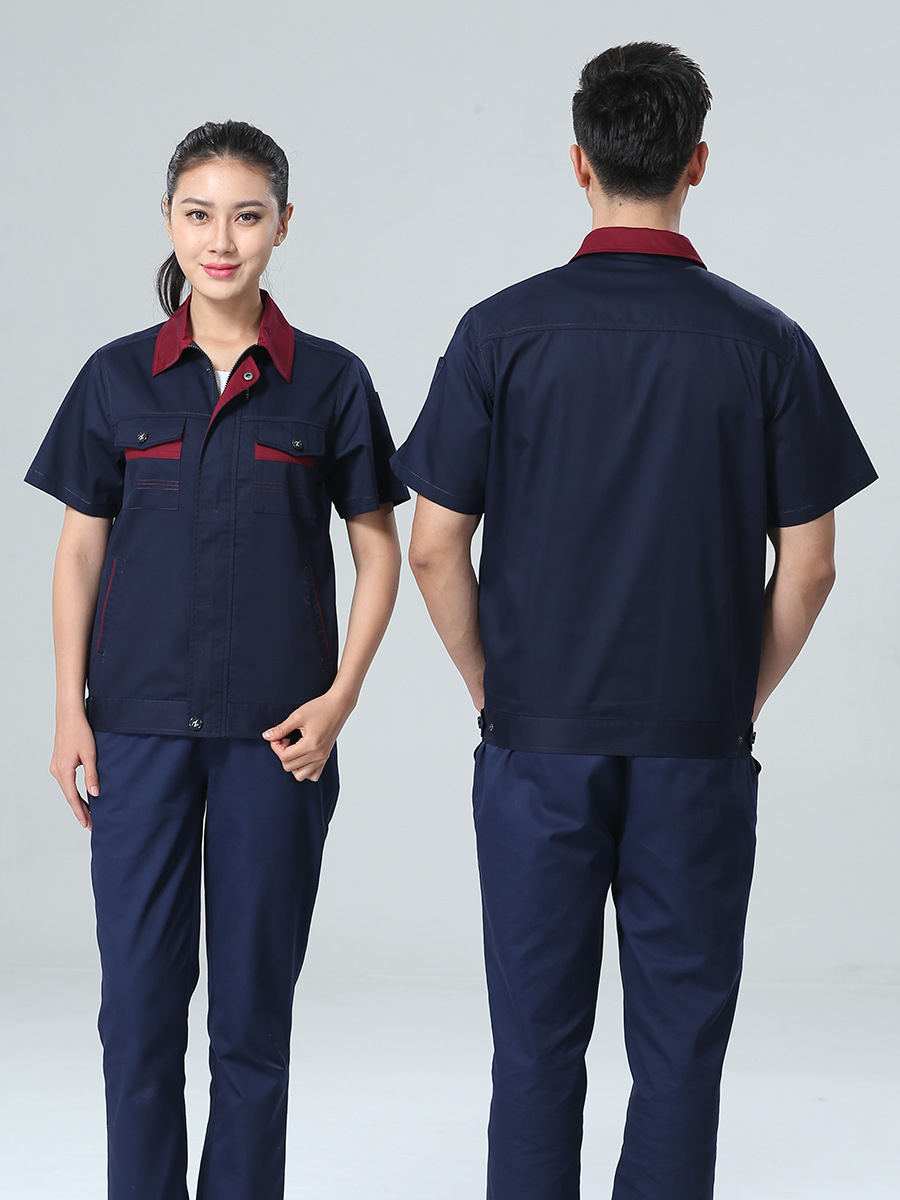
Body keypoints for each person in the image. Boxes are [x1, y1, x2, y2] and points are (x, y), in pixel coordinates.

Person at [392, 42, 877, 1200]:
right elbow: (811, 567)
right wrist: (733, 696)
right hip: (694, 741)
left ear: (579, 163)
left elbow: (433, 546)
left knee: (533, 1049)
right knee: (679, 1056)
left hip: (537, 739)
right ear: (696, 162)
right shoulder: (767, 343)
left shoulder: (499, 332)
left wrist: (492, 685)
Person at [26, 120, 408, 1200]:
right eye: (199, 215)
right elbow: (79, 552)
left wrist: (340, 700)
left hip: (277, 742)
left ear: (284, 225)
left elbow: (378, 552)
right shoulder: (116, 378)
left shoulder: (330, 382)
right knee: (138, 1016)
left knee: (251, 1019)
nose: (222, 240)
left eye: (247, 216)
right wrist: (68, 710)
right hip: (136, 733)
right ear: (168, 223)